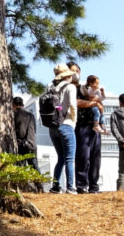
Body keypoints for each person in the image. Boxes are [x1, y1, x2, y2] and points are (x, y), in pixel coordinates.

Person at [69, 61, 103, 193]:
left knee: (96, 158)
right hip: (81, 126)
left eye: (76, 71)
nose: (75, 74)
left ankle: (94, 186)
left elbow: (99, 102)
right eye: (72, 71)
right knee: (83, 157)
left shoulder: (87, 87)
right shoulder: (70, 89)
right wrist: (93, 104)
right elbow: (76, 102)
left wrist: (97, 104)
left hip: (95, 126)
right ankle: (81, 186)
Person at [47, 63, 77, 194]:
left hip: (52, 126)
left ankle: (55, 186)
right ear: (67, 76)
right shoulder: (70, 87)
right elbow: (72, 105)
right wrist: (74, 121)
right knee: (70, 158)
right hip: (66, 124)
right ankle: (70, 187)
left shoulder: (50, 86)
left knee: (61, 158)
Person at [12, 96, 37, 168]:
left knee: (20, 169)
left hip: (20, 146)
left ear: (13, 105)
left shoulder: (13, 115)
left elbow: (19, 132)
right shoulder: (30, 115)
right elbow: (34, 130)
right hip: (31, 145)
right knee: (35, 169)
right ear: (22, 105)